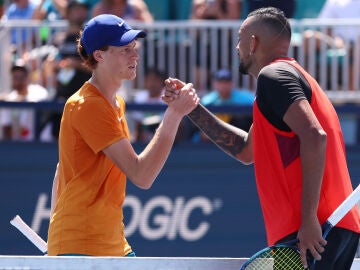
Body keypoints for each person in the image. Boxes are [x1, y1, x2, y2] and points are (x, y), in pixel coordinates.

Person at [164, 7, 360, 269]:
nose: (237, 47)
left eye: (240, 38)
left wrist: (309, 218)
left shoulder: (273, 76)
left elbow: (315, 136)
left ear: (253, 42)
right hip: (325, 226)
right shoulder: (287, 79)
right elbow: (246, 151)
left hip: (315, 228)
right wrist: (192, 110)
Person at [47, 14, 199, 257]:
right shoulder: (87, 105)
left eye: (134, 48)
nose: (135, 56)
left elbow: (60, 171)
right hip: (81, 246)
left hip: (109, 243)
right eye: (125, 50)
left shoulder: (115, 103)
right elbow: (142, 175)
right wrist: (174, 116)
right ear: (99, 55)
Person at [192, 68, 254, 142]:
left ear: (231, 84)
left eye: (226, 82)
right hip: (213, 140)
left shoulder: (246, 98)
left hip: (238, 137)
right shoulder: (207, 101)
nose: (223, 85)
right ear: (215, 84)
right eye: (220, 82)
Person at [0, 60, 49, 141]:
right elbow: (6, 126)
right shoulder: (10, 98)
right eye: (15, 77)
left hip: (37, 143)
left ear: (27, 77)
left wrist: (14, 99)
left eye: (22, 76)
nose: (18, 80)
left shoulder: (38, 91)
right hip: (17, 145)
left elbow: (41, 100)